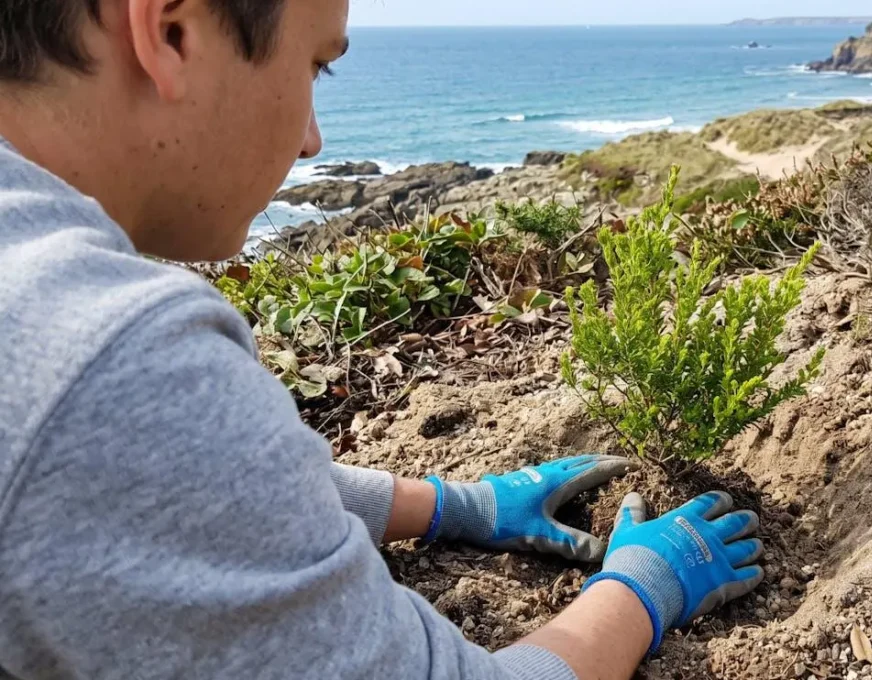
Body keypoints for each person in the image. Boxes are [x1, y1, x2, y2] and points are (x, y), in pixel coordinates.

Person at [0, 1, 767, 679]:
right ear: (171, 31)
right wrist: (640, 589)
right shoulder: (106, 354)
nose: (312, 140)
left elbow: (136, 478)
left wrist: (451, 507)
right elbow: (119, 432)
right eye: (316, 66)